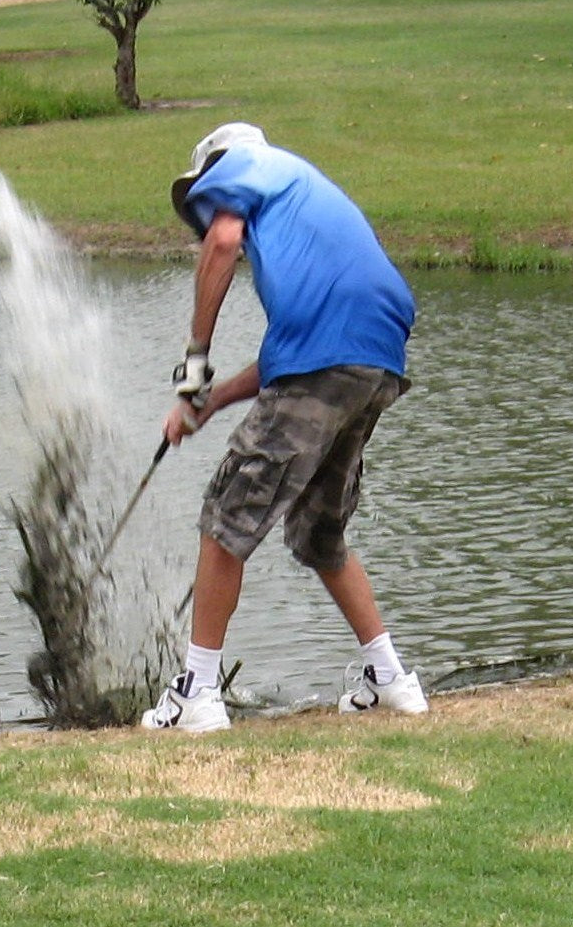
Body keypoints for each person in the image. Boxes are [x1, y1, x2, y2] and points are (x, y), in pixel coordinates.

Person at [140, 122, 428, 732]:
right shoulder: (300, 193)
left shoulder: (237, 172)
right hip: (376, 355)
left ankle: (197, 693)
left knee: (227, 514)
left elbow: (220, 242)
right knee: (318, 533)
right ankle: (393, 681)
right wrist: (210, 403)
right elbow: (289, 363)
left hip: (330, 357)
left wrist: (195, 360)